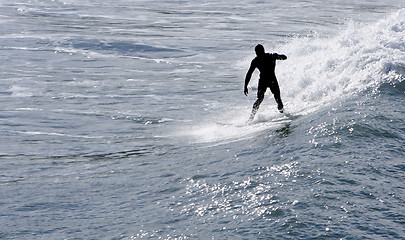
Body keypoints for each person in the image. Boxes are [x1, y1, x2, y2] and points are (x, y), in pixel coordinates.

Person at [244, 44, 287, 120]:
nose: (257, 54)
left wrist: (277, 56)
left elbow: (284, 57)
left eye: (259, 52)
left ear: (263, 51)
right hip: (263, 81)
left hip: (272, 80)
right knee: (260, 99)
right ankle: (251, 118)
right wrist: (245, 86)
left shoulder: (270, 56)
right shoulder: (255, 61)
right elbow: (249, 73)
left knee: (278, 99)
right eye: (256, 52)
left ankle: (283, 114)